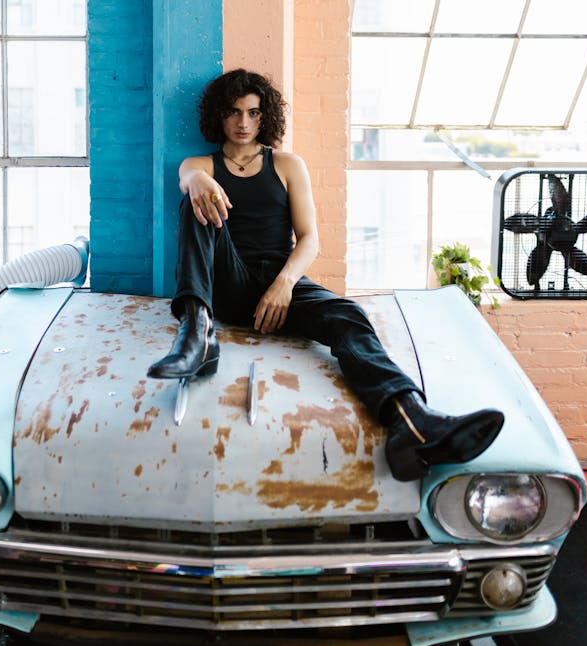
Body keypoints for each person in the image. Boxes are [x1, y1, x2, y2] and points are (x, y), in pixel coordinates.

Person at [148, 68, 504, 482]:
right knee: (196, 202)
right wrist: (199, 181)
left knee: (348, 316)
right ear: (218, 116)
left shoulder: (286, 164)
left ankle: (410, 420)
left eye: (253, 113)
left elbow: (310, 239)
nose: (243, 123)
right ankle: (196, 332)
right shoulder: (202, 163)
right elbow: (188, 175)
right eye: (233, 112)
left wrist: (284, 285)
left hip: (281, 281)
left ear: (265, 117)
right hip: (228, 283)